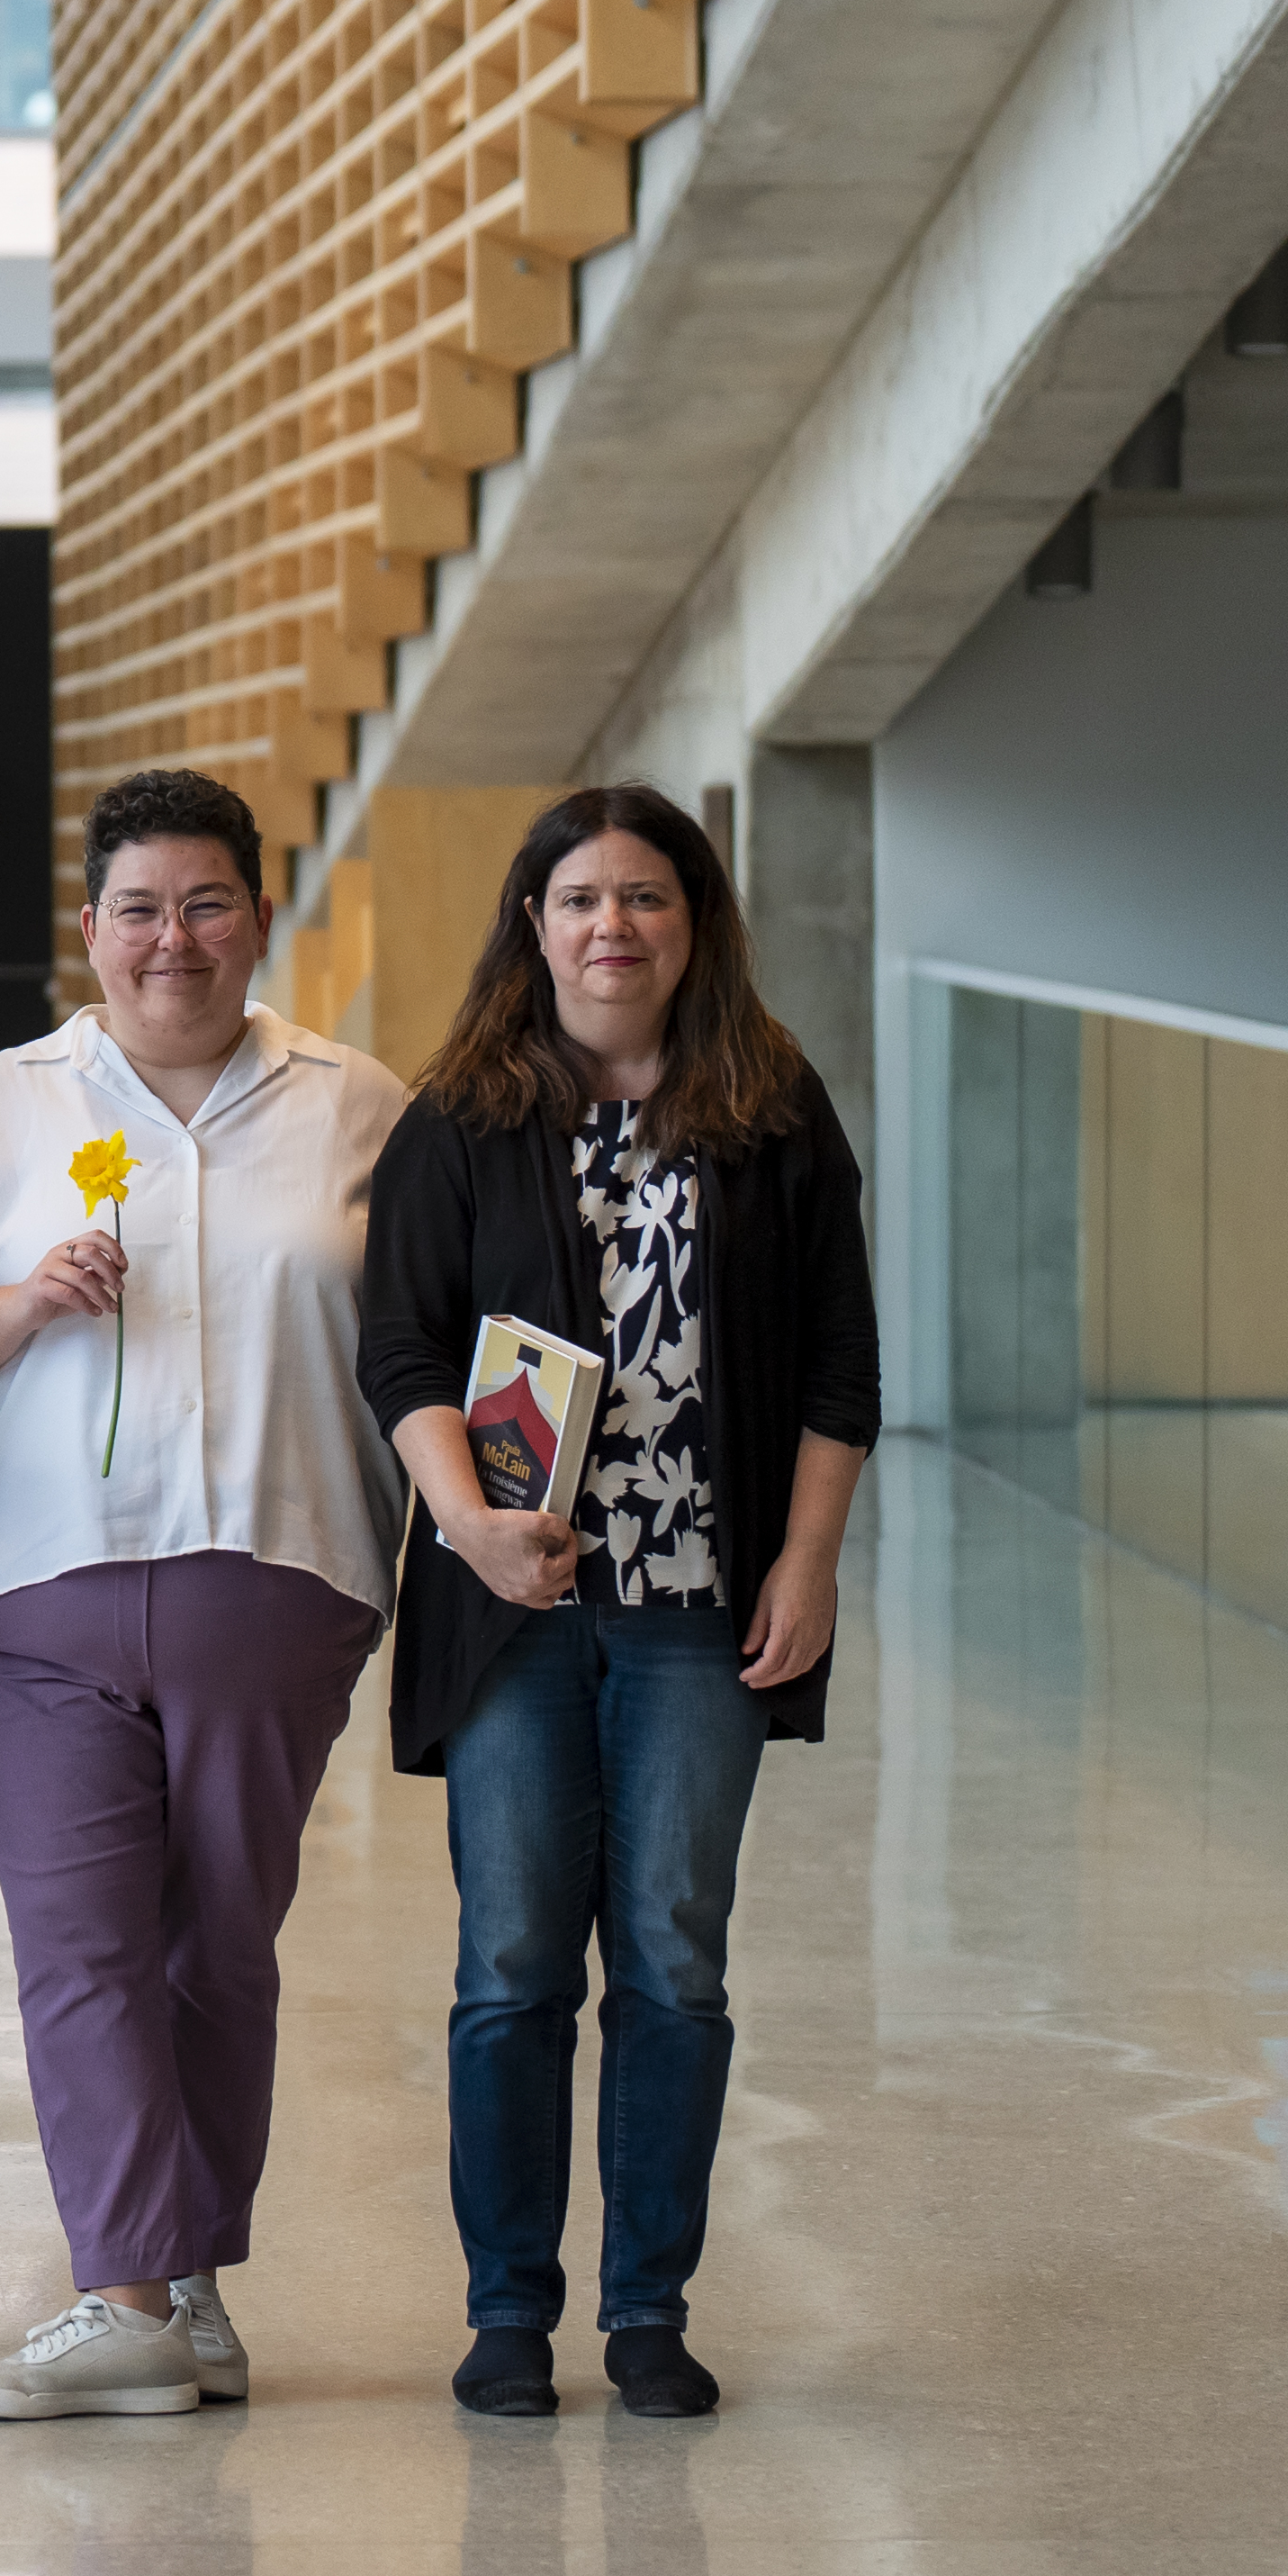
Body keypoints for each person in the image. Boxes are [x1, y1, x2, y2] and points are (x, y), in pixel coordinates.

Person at [0, 770, 416, 2419]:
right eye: (136, 909)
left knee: (217, 1947)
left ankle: (182, 2282)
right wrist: (23, 1305)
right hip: (45, 1584)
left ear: (256, 918)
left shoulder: (359, 1107)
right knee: (79, 1940)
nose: (169, 939)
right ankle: (120, 2293)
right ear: (89, 929)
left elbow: (429, 1336)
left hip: (280, 1574)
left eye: (203, 905)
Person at [356, 784, 877, 2423]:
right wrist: (467, 1528)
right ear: (534, 922)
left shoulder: (771, 1109)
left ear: (694, 921)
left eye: (644, 896)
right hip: (513, 1607)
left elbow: (839, 1361)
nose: (611, 928)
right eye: (579, 898)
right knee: (512, 1962)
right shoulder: (461, 1115)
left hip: (698, 1612)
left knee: (670, 1957)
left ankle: (648, 2309)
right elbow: (400, 1347)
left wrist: (807, 1561)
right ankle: (508, 2312)